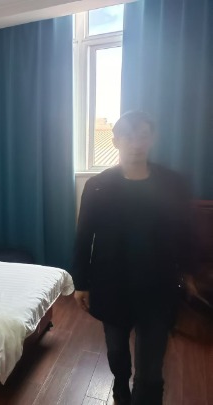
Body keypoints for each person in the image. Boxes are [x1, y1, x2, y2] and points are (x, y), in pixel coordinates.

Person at [71, 111, 198, 405]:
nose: (136, 143)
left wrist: (189, 272)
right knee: (117, 352)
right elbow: (84, 236)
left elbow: (187, 232)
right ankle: (120, 387)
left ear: (152, 139)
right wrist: (81, 282)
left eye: (143, 135)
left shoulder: (173, 184)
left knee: (151, 370)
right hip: (111, 285)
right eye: (128, 135)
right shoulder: (98, 186)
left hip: (158, 287)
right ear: (116, 141)